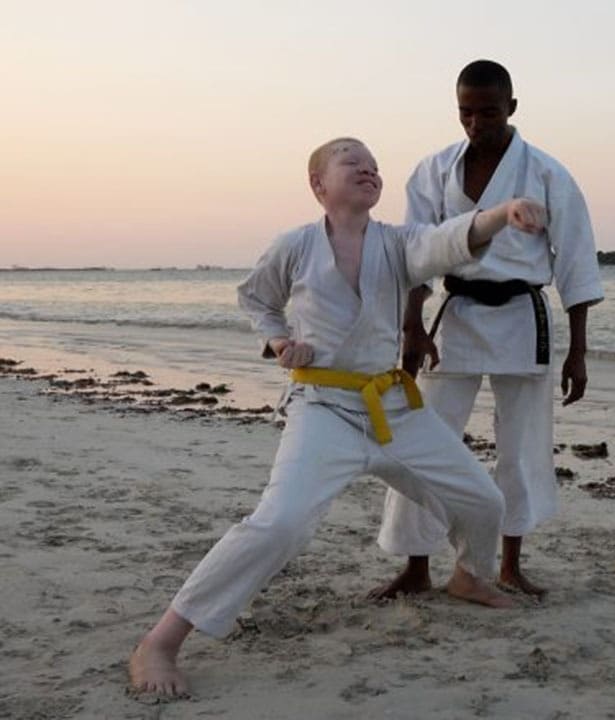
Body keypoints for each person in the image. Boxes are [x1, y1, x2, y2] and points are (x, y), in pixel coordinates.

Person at [128, 137, 547, 697]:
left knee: (483, 499)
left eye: (374, 166)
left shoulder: (398, 243)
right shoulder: (295, 245)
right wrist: (280, 341)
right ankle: (161, 641)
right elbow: (256, 299)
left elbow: (448, 241)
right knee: (281, 522)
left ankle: (469, 576)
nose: (368, 170)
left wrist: (502, 212)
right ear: (318, 184)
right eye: (352, 161)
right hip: (323, 406)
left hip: (392, 407)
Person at [372, 60, 603, 600]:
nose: (476, 123)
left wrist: (579, 352)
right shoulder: (433, 171)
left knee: (522, 449)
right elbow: (416, 253)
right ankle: (416, 566)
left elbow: (575, 262)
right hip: (456, 314)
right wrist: (411, 326)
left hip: (523, 316)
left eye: (489, 112)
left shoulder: (547, 173)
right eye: (466, 113)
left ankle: (508, 565)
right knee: (426, 440)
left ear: (512, 108)